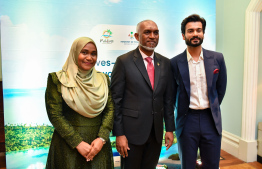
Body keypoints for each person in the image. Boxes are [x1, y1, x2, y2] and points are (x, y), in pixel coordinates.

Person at [110, 20, 175, 169]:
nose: (152, 36)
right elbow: (116, 101)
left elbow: (168, 99)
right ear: (136, 36)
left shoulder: (165, 63)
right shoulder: (123, 61)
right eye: (147, 32)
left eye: (156, 32)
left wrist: (169, 129)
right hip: (131, 134)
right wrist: (119, 134)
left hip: (156, 134)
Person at [45, 37, 114, 169]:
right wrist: (77, 142)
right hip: (67, 147)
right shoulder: (57, 79)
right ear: (75, 53)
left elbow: (110, 109)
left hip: (97, 146)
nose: (89, 57)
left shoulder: (103, 79)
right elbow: (55, 115)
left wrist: (102, 138)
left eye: (93, 54)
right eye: (84, 52)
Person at [170, 14, 227, 169]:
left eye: (198, 30)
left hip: (211, 120)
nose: (195, 34)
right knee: (187, 165)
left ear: (203, 33)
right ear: (183, 35)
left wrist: (213, 107)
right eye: (190, 31)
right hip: (187, 120)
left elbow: (220, 89)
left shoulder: (217, 58)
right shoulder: (174, 62)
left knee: (212, 165)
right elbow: (172, 94)